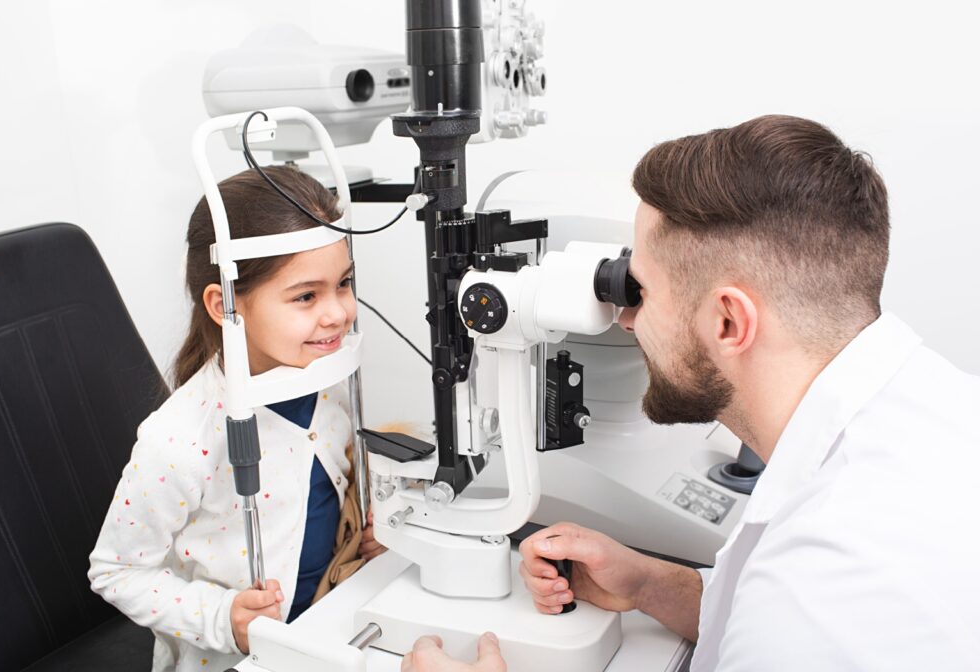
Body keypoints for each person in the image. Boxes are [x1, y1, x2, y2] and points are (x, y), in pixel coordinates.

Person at [400, 115, 980, 671]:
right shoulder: (937, 406)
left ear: (728, 322)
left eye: (643, 291)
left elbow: (793, 630)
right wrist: (653, 583)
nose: (627, 321)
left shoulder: (816, 593)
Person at [89, 166, 386, 672]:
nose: (338, 313)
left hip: (326, 629)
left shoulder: (324, 382)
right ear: (225, 305)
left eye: (344, 284)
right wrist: (225, 618)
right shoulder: (180, 441)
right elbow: (115, 572)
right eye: (306, 296)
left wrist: (363, 531)